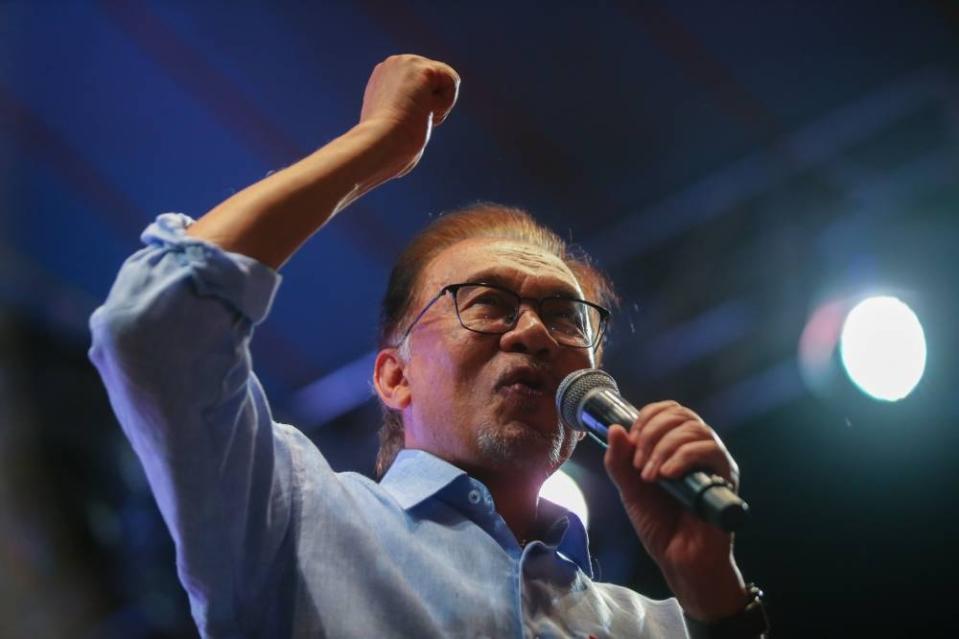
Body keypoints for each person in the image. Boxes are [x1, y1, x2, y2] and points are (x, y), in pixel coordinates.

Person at [90, 55, 768, 637]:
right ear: (393, 376)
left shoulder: (652, 624)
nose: (533, 332)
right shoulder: (293, 517)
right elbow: (155, 325)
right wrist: (373, 146)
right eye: (487, 303)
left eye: (565, 317)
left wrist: (712, 595)